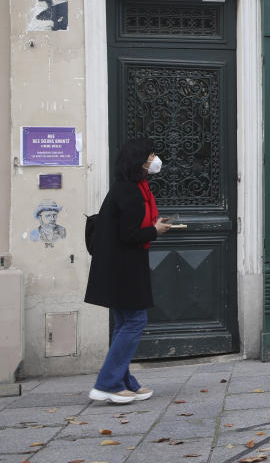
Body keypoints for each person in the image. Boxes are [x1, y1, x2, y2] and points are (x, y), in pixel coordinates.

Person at [85, 137, 171, 404]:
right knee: (134, 322)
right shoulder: (132, 192)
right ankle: (107, 383)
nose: (154, 160)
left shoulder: (126, 188)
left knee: (125, 322)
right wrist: (155, 231)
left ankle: (125, 382)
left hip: (117, 266)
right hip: (124, 268)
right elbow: (129, 234)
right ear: (139, 161)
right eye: (150, 155)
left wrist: (152, 226)